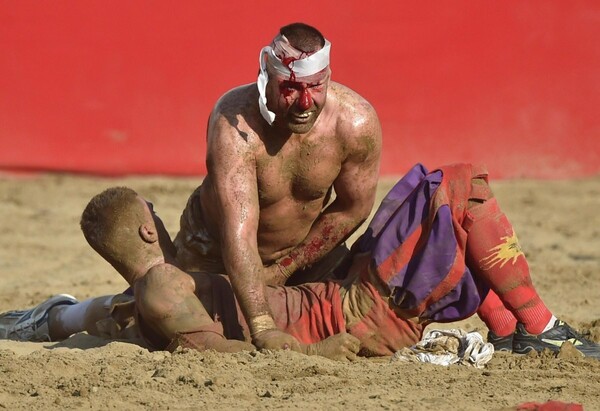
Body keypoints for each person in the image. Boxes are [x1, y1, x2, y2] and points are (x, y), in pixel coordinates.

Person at [3, 167, 600, 359]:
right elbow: (221, 353)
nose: (162, 216)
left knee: (437, 219)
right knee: (457, 188)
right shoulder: (161, 284)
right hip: (353, 315)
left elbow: (84, 318)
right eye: (152, 212)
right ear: (142, 228)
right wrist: (312, 352)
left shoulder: (139, 300)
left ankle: (514, 331)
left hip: (347, 299)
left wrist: (34, 324)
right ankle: (542, 331)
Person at [170, 22, 382, 351]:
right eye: (292, 88)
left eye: (316, 86)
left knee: (370, 319)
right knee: (158, 320)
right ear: (266, 77)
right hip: (217, 254)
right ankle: (65, 315)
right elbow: (237, 234)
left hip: (305, 256)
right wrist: (263, 326)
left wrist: (288, 266)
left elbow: (353, 207)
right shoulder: (234, 125)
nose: (305, 102)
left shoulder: (355, 122)